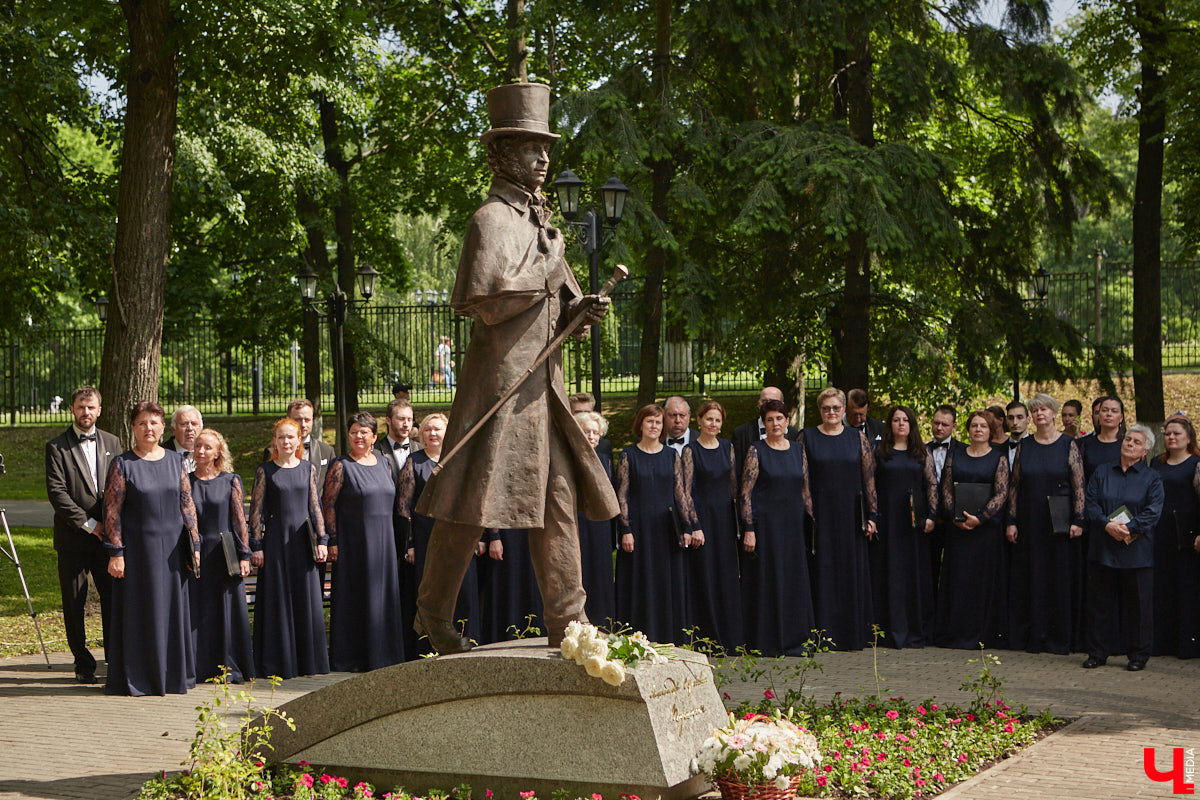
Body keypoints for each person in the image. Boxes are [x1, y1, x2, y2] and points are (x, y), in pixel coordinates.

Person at [413, 82, 619, 654]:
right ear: (503, 154)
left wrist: (583, 308)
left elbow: (559, 307)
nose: (544, 159)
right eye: (532, 148)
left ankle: (569, 625)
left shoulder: (539, 224)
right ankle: (433, 616)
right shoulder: (490, 221)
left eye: (546, 149)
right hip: (499, 388)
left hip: (543, 390)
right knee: (467, 507)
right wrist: (550, 272)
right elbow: (488, 301)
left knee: (556, 502)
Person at [102, 401, 199, 696]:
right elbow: (111, 512)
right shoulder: (122, 464)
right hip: (138, 552)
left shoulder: (176, 461)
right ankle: (139, 678)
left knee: (169, 612)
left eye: (154, 422)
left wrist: (194, 543)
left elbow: (187, 504)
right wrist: (115, 552)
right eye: (142, 423)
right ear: (133, 427)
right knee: (140, 612)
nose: (149, 428)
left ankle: (170, 676)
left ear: (162, 427)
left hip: (170, 552)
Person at [45, 385, 119, 684]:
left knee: (113, 599)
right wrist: (90, 524)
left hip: (107, 540)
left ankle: (115, 659)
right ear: (72, 409)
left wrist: (110, 526)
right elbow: (57, 493)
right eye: (80, 406)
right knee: (74, 602)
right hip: (73, 538)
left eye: (91, 407)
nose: (85, 412)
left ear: (99, 410)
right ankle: (82, 663)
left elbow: (119, 485)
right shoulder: (56, 447)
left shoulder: (113, 442)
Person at [324, 412, 406, 671]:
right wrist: (333, 539)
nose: (358, 436)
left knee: (384, 598)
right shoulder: (341, 465)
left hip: (384, 542)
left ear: (373, 436)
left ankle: (385, 655)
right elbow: (328, 504)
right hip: (354, 544)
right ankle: (354, 657)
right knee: (357, 597)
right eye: (353, 432)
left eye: (363, 432)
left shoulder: (385, 463)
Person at [249, 417, 329, 679]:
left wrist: (322, 539)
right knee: (277, 600)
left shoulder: (308, 468)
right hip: (275, 543)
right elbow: (257, 512)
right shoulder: (266, 470)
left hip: (302, 543)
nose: (285, 441)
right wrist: (257, 545)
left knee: (304, 600)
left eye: (290, 437)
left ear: (298, 440)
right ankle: (277, 662)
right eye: (281, 437)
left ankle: (308, 662)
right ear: (275, 441)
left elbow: (315, 505)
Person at [1005, 393, 1085, 654]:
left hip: (1059, 522)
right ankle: (1035, 636)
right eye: (1035, 410)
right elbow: (1014, 485)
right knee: (1033, 576)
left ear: (1053, 413)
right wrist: (1012, 520)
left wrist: (1078, 519)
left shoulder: (1068, 445)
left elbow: (1078, 485)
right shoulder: (1024, 447)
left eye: (1045, 409)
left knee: (1057, 577)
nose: (1040, 414)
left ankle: (1058, 638)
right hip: (1029, 520)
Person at [615, 404, 698, 643]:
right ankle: (637, 635)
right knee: (640, 578)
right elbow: (622, 495)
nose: (654, 426)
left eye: (658, 422)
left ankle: (668, 636)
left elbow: (680, 493)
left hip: (666, 528)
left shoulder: (671, 455)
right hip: (639, 527)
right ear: (640, 424)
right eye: (650, 421)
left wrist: (687, 526)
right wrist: (626, 529)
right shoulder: (628, 455)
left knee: (666, 580)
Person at [1082, 425, 1163, 671]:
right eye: (1128, 439)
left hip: (1136, 552)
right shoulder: (1102, 471)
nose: (1129, 444)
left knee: (1138, 608)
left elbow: (1153, 511)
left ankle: (1138, 656)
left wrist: (1128, 529)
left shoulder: (1153, 478)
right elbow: (1090, 502)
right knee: (1100, 606)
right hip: (1104, 548)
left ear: (1145, 450)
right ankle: (1097, 653)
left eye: (1136, 442)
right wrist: (1107, 525)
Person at [802, 387, 877, 651]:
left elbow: (868, 479)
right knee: (822, 571)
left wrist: (871, 515)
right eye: (826, 408)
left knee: (849, 571)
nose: (831, 412)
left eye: (836, 408)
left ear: (844, 409)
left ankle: (850, 634)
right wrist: (809, 514)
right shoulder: (807, 437)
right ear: (819, 410)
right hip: (820, 515)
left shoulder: (858, 438)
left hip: (850, 515)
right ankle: (823, 635)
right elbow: (803, 480)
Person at [402, 413, 483, 653]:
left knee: (463, 589)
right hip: (426, 538)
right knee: (431, 589)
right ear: (422, 434)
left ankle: (466, 639)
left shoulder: (459, 458)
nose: (433, 434)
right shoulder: (413, 462)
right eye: (428, 430)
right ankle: (429, 644)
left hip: (459, 536)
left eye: (437, 429)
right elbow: (404, 507)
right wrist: (410, 543)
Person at [739, 398, 813, 655]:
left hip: (793, 525)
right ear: (764, 423)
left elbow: (805, 491)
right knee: (769, 579)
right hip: (766, 526)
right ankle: (767, 640)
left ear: (787, 421)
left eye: (779, 419)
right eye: (769, 419)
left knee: (793, 579)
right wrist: (749, 528)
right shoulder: (755, 450)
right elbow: (745, 493)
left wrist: (811, 524)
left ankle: (795, 639)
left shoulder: (798, 450)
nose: (774, 423)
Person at [934, 410, 1010, 649]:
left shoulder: (998, 458)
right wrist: (955, 514)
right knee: (959, 579)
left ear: (990, 431)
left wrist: (981, 518)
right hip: (958, 530)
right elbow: (945, 488)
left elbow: (1002, 492)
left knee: (982, 582)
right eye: (974, 426)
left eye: (983, 426)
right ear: (967, 429)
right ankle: (955, 633)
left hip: (985, 532)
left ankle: (982, 634)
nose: (978, 430)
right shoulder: (955, 455)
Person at [188, 427, 254, 683]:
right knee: (198, 611)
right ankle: (198, 667)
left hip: (225, 554)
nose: (201, 451)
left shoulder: (231, 480)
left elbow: (239, 521)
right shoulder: (185, 481)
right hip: (196, 554)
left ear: (218, 452)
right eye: (198, 446)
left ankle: (229, 667)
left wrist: (244, 555)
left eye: (207, 447)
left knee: (226, 610)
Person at [870, 405, 938, 648]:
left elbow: (931, 485)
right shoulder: (880, 452)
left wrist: (931, 515)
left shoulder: (922, 452)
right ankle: (887, 631)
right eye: (896, 420)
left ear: (912, 424)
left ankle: (913, 630)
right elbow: (871, 485)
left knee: (912, 573)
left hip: (914, 523)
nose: (901, 424)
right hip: (887, 522)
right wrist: (873, 516)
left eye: (905, 420)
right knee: (889, 572)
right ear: (890, 425)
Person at [684, 400, 744, 650]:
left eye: (717, 420)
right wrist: (694, 524)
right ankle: (706, 637)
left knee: (726, 574)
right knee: (705, 574)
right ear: (698, 421)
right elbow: (685, 492)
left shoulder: (728, 447)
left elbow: (734, 486)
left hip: (725, 519)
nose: (713, 424)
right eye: (709, 419)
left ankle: (730, 638)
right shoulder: (690, 450)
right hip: (703, 519)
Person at [374, 398, 421, 656]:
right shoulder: (376, 451)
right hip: (385, 529)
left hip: (415, 532)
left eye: (410, 419)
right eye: (401, 419)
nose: (406, 424)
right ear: (388, 421)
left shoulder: (420, 448)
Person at [1150, 416, 1200, 658]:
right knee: (1162, 588)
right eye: (1167, 433)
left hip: (1186, 535)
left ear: (1188, 438)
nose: (1170, 437)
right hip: (1159, 533)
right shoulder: (1155, 464)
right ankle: (1162, 643)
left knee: (1186, 589)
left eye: (1176, 434)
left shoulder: (1196, 464)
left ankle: (1187, 645)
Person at [573, 410, 616, 626]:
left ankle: (602, 622)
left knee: (600, 573)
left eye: (595, 432)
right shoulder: (569, 459)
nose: (591, 436)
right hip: (577, 522)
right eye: (587, 432)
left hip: (600, 525)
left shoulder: (606, 460)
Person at [262, 399, 335, 492]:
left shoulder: (327, 451)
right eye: (298, 419)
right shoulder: (271, 451)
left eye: (307, 420)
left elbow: (332, 489)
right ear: (288, 419)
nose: (303, 424)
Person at [926, 404, 959, 600]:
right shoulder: (921, 450)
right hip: (929, 522)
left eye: (944, 424)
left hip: (955, 520)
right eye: (936, 423)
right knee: (929, 569)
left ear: (954, 426)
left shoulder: (963, 450)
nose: (939, 428)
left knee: (954, 570)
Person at [731, 386, 800, 472]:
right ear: (758, 404)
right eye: (764, 401)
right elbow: (736, 470)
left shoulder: (794, 434)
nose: (768, 405)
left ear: (782, 404)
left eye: (772, 401)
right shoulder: (741, 433)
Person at [1078, 396, 1125, 482]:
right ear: (1099, 415)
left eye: (1114, 411)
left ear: (1121, 417)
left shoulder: (1129, 445)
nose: (1109, 414)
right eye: (1104, 410)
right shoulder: (1083, 444)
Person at [570, 392, 613, 459]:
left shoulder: (603, 445)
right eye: (578, 412)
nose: (583, 416)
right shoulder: (561, 441)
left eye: (587, 412)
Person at [164, 405, 202, 473]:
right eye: (184, 424)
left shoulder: (210, 454)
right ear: (173, 429)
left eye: (194, 424)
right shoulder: (162, 454)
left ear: (201, 428)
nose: (190, 428)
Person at [1003, 401, 1030, 469]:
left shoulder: (1037, 446)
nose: (1015, 422)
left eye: (1019, 417)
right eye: (1011, 418)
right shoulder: (998, 449)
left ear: (1028, 420)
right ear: (1006, 421)